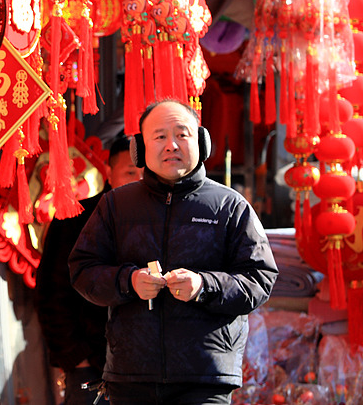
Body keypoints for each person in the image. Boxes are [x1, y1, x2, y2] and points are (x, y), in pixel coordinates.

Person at [69, 100, 277, 405]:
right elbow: (82, 270)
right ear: (139, 148)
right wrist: (129, 282)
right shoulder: (115, 206)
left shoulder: (230, 207)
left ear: (201, 142)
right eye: (159, 137)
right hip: (130, 375)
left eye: (182, 134)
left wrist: (205, 286)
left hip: (204, 378)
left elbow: (260, 279)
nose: (171, 145)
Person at [35, 135, 143, 405]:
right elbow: (51, 294)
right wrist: (76, 358)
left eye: (146, 173)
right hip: (92, 364)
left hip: (147, 368)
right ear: (109, 172)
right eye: (130, 172)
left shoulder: (163, 221)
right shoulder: (75, 220)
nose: (139, 181)